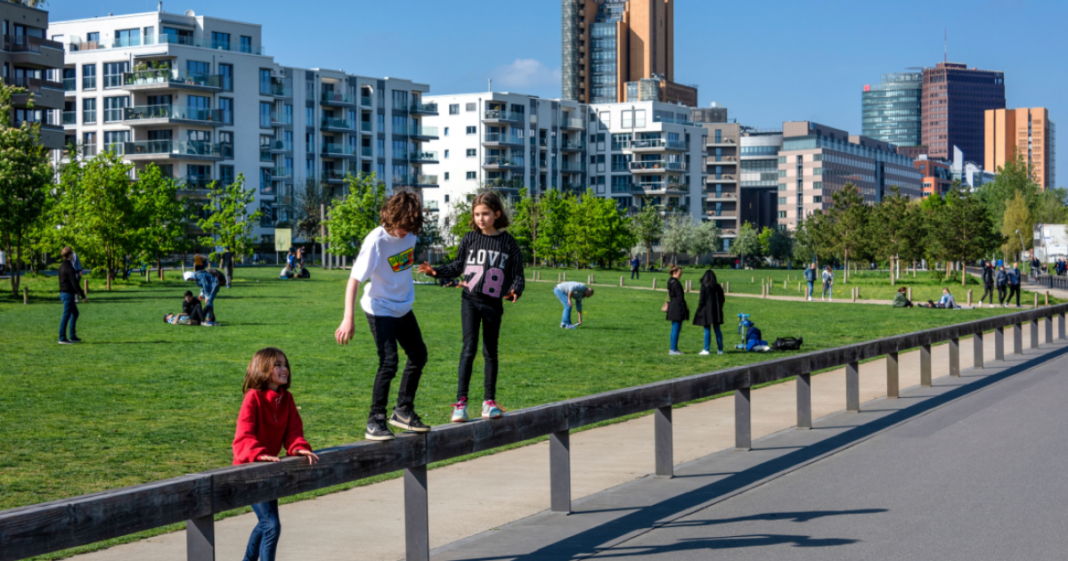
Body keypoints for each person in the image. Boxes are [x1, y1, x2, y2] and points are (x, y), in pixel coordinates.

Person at [418, 192, 525, 423]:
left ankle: (488, 403)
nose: (481, 218)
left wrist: (517, 288)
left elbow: (517, 271)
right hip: (470, 300)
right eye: (477, 214)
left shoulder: (508, 242)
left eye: (485, 213)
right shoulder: (469, 239)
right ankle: (460, 405)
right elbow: (458, 265)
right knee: (468, 349)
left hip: (493, 303)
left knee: (490, 352)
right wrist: (436, 272)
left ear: (497, 214)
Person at [334, 191, 430, 441]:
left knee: (419, 355)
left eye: (410, 227)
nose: (404, 232)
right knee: (389, 362)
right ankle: (375, 420)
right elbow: (354, 280)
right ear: (391, 216)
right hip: (379, 308)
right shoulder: (376, 240)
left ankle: (403, 411)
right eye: (401, 226)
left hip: (403, 307)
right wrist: (348, 317)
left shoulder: (411, 235)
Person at [233, 347, 319, 561]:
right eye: (278, 365)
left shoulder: (287, 399)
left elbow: (293, 432)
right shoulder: (253, 397)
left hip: (269, 469)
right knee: (271, 524)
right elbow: (243, 435)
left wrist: (298, 446)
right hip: (249, 469)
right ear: (263, 369)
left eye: (285, 364)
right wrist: (258, 454)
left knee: (266, 524)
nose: (284, 369)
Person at [692, 269, 725, 355]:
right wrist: (720, 307)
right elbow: (722, 299)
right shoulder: (718, 287)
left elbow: (701, 300)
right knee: (717, 330)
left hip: (706, 311)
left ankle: (706, 349)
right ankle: (720, 349)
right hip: (716, 311)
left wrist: (699, 309)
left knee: (707, 330)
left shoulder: (704, 286)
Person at [58, 246, 86, 345]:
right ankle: (62, 338)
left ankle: (72, 336)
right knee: (66, 315)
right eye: (72, 253)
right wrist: (83, 295)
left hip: (63, 293)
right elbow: (75, 283)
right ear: (69, 255)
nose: (73, 255)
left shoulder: (61, 266)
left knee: (75, 313)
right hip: (68, 294)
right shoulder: (69, 267)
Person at [665, 265, 689, 355]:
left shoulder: (670, 281)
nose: (681, 275)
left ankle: (673, 348)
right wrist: (684, 308)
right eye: (680, 273)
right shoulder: (676, 283)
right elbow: (680, 298)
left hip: (672, 306)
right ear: (675, 272)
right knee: (676, 329)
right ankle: (673, 349)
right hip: (677, 307)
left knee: (674, 328)